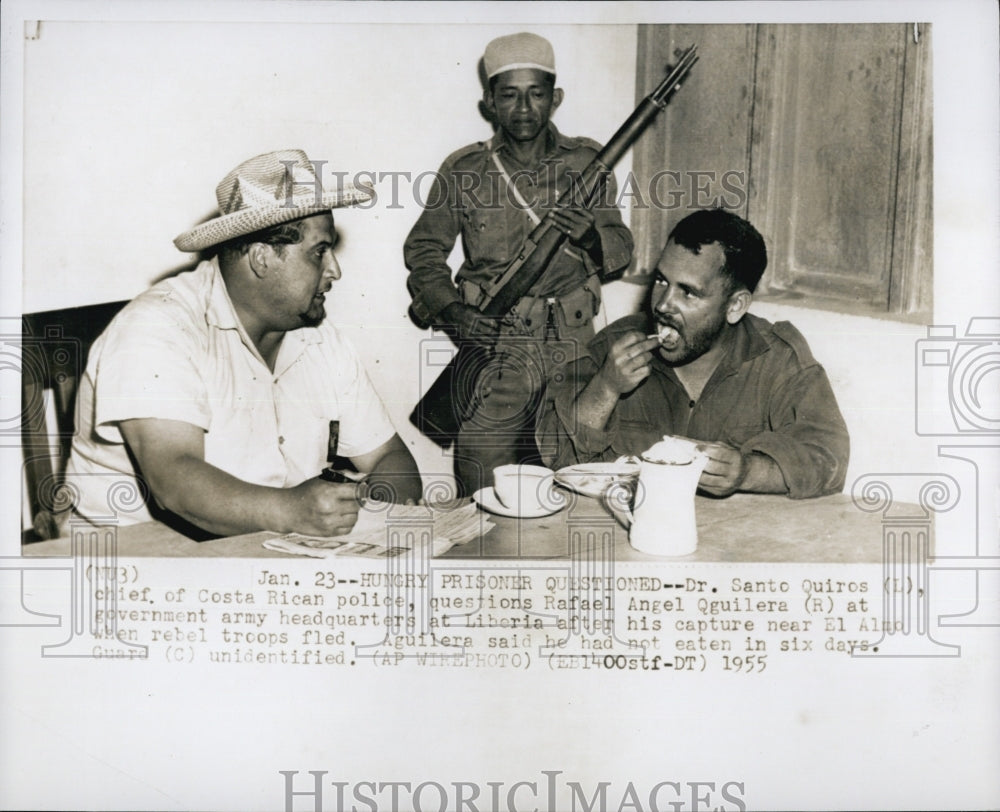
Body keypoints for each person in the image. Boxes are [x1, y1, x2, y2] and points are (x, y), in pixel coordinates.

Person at [66, 149, 422, 536]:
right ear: (261, 258)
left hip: (265, 550)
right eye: (319, 252)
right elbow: (174, 482)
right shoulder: (156, 325)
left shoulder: (316, 335)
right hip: (131, 557)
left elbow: (391, 458)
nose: (334, 270)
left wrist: (363, 510)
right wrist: (294, 512)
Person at [404, 32, 634, 497]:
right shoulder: (465, 170)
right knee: (481, 469)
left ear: (556, 97)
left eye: (536, 94)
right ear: (489, 102)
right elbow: (423, 252)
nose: (524, 108)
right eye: (509, 95)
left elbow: (622, 248)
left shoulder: (587, 162)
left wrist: (591, 238)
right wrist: (455, 313)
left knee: (579, 461)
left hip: (575, 344)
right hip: (501, 344)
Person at [537, 208, 850, 499]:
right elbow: (557, 461)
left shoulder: (776, 358)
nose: (663, 304)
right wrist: (605, 388)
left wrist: (747, 472)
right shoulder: (615, 348)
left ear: (735, 305)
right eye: (661, 281)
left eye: (688, 292)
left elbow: (828, 459)